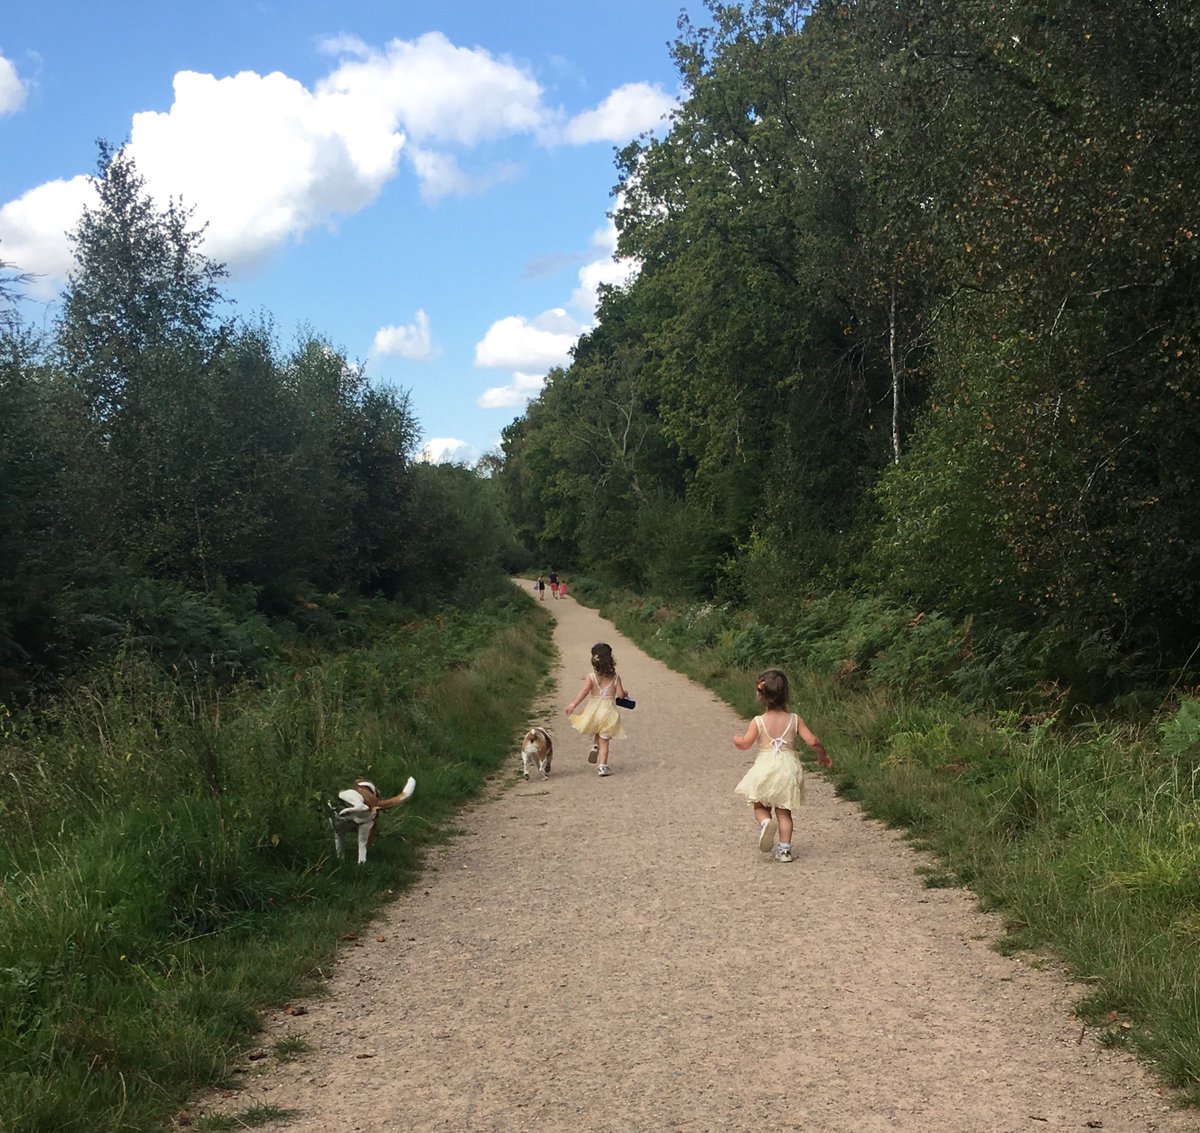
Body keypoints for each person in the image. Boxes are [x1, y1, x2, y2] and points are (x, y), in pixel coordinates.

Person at [732, 669, 832, 862]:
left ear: (761, 695)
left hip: (765, 768)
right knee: (784, 811)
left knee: (759, 804)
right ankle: (785, 850)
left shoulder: (758, 721)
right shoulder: (794, 719)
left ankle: (765, 822)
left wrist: (738, 740)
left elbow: (745, 743)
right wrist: (823, 754)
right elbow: (812, 741)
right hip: (788, 769)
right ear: (786, 693)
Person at [564, 642, 628, 777]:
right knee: (605, 739)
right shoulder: (616, 678)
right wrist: (625, 693)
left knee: (597, 728)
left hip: (594, 710)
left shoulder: (591, 677)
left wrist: (573, 704)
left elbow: (584, 691)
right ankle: (602, 766)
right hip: (608, 711)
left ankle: (594, 746)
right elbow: (621, 695)